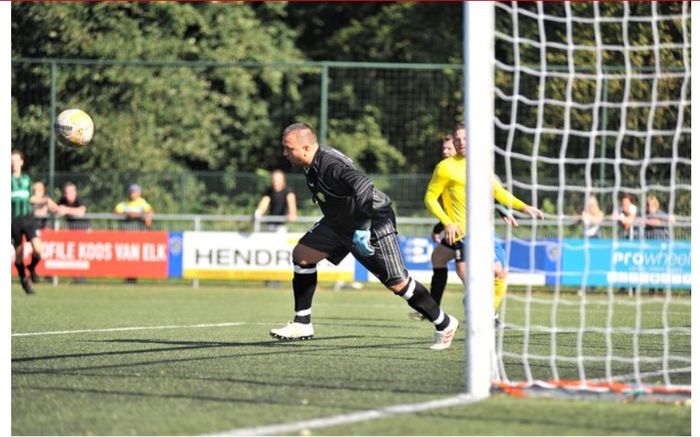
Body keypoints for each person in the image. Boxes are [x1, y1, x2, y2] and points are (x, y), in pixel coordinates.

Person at [270, 123, 459, 350]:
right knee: (302, 255)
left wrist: (363, 228)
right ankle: (302, 323)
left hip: (373, 219)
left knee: (398, 284)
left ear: (306, 147)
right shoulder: (311, 162)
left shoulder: (330, 165)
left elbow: (363, 185)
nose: (284, 153)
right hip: (339, 223)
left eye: (288, 148)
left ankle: (444, 322)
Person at [422, 123, 543, 324]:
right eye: (457, 139)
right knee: (472, 272)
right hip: (465, 234)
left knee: (500, 273)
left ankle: (483, 309)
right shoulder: (445, 168)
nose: (461, 143)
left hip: (486, 230)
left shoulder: (480, 164)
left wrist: (524, 207)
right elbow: (430, 198)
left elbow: (497, 191)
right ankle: (476, 311)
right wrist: (447, 223)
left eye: (465, 138)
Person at [11, 149, 43, 294]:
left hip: (28, 219)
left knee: (38, 249)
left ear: (21, 162)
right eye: (11, 160)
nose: (13, 163)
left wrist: (44, 201)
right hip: (13, 220)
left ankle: (30, 268)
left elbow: (30, 198)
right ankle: (24, 280)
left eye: (16, 160)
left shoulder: (26, 179)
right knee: (19, 254)